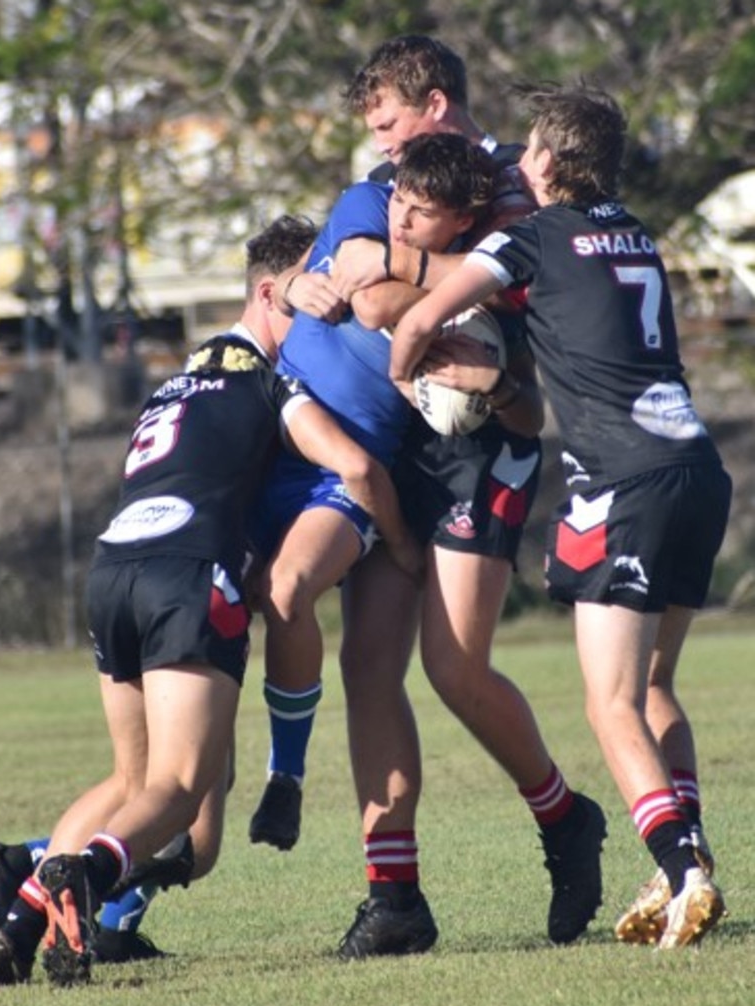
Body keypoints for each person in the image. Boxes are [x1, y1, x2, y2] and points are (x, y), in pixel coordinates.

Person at [0, 243, 421, 989]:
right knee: (180, 792)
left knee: (137, 786)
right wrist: (406, 547)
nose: (325, 314)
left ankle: (15, 927)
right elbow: (355, 467)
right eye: (309, 299)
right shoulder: (267, 382)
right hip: (186, 578)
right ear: (268, 293)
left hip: (112, 567)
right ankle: (84, 875)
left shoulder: (176, 382)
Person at [253, 43, 608, 954]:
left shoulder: (519, 192)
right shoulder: (379, 189)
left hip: (484, 443)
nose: (377, 147)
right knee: (371, 668)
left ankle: (565, 817)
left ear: (435, 106)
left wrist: (422, 293)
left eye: (387, 123)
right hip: (401, 446)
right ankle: (396, 897)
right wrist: (408, 285)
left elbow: (502, 340)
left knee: (454, 669)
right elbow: (357, 289)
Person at [389, 81, 731, 950]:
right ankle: (682, 862)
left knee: (609, 701)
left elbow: (425, 314)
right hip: (696, 466)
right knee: (655, 686)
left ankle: (684, 866)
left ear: (541, 161)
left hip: (621, 478)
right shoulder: (639, 235)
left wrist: (409, 377)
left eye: (530, 147)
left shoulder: (532, 235)